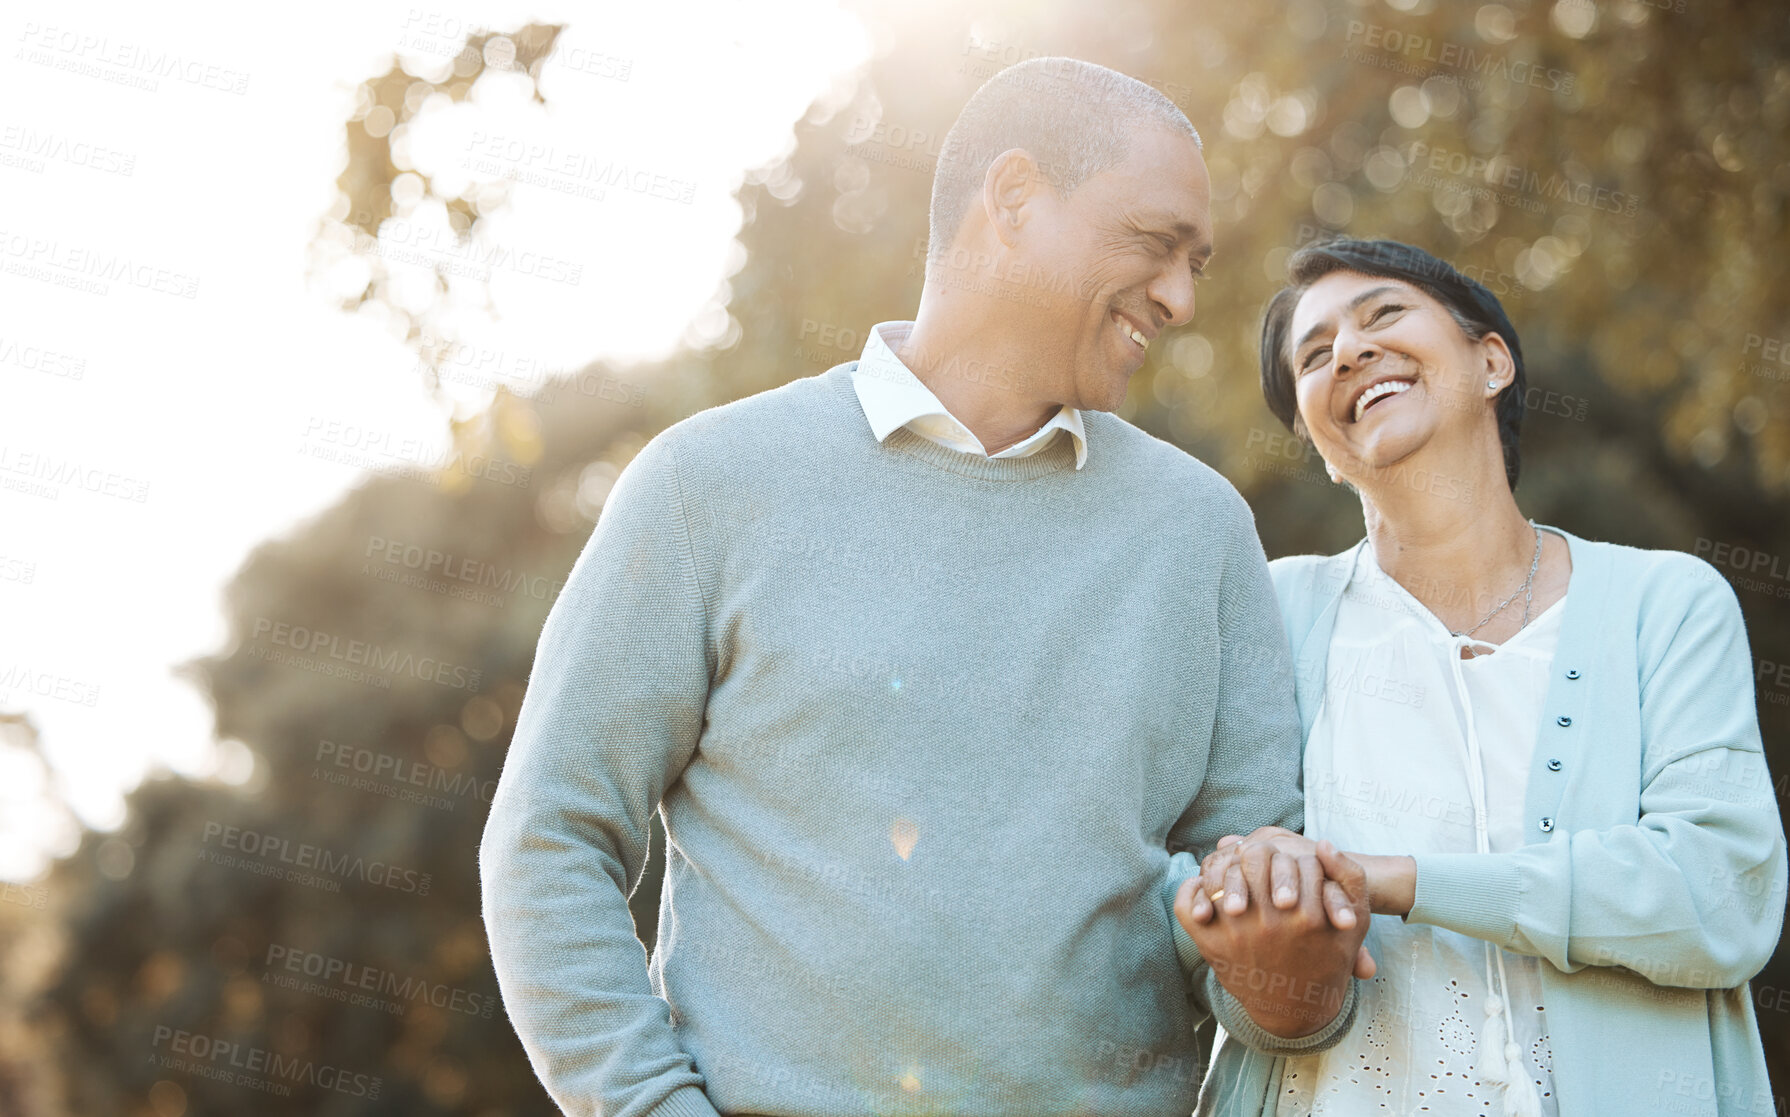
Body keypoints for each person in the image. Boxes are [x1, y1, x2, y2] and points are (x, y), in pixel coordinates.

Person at [480, 58, 1373, 1117]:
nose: (1179, 299)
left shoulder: (1201, 530)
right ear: (1011, 200)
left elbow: (1255, 939)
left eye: (1195, 265)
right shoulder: (705, 484)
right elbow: (550, 834)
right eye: (1151, 245)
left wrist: (1290, 969)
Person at [1177, 237, 1787, 1116]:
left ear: (1491, 360)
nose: (1348, 351)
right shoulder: (1273, 613)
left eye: (1384, 315)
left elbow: (1720, 894)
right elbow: (1231, 944)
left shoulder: (1667, 603)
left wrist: (1398, 879)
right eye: (1315, 356)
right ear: (1320, 442)